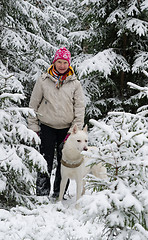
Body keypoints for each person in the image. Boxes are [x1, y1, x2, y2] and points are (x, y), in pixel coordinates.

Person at [28, 47, 85, 198]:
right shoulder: (43, 80)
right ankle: (42, 193)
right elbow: (33, 104)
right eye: (59, 62)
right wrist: (33, 126)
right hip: (46, 127)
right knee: (44, 160)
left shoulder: (75, 84)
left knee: (64, 162)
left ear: (69, 64)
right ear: (54, 62)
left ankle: (59, 193)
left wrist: (74, 132)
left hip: (66, 130)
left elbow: (79, 108)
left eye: (65, 62)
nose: (62, 65)